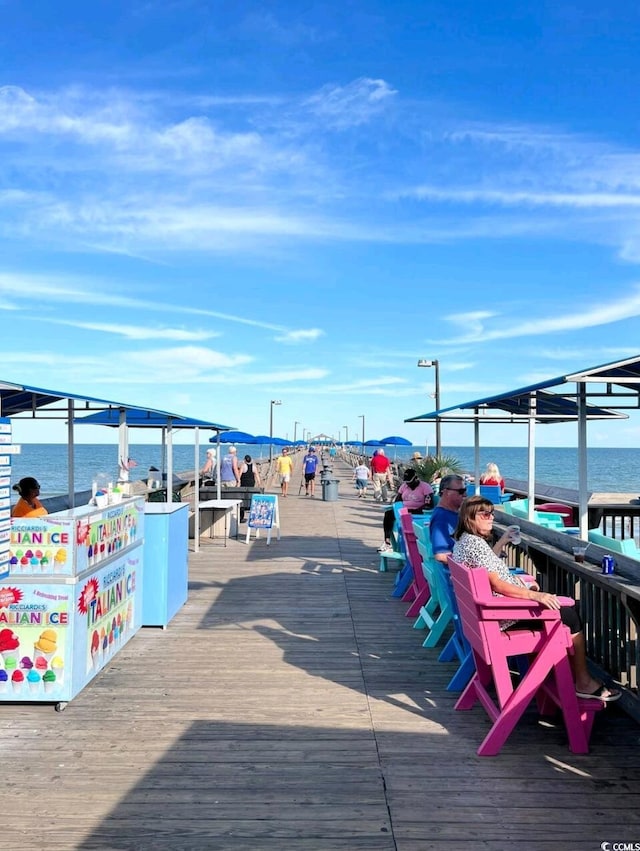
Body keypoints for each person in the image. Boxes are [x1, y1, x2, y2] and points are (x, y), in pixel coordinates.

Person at [452, 496, 620, 702]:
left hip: (485, 619)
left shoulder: (465, 542)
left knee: (556, 607)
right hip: (502, 618)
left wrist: (519, 575)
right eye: (485, 514)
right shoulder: (475, 544)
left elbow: (488, 570)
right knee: (569, 615)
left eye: (492, 513)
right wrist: (535, 595)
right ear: (470, 517)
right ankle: (583, 682)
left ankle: (558, 677)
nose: (491, 518)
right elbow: (498, 584)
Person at [378, 469, 434, 552]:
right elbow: (398, 500)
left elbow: (429, 504)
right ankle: (387, 541)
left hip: (418, 511)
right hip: (404, 510)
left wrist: (417, 509)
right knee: (388, 514)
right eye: (406, 482)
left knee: (404, 516)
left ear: (416, 478)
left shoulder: (425, 487)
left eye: (410, 481)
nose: (408, 484)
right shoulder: (404, 486)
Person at [429, 473, 467, 563]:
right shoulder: (441, 519)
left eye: (465, 490)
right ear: (446, 492)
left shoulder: (451, 514)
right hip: (456, 574)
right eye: (461, 491)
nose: (465, 494)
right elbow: (441, 555)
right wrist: (469, 563)